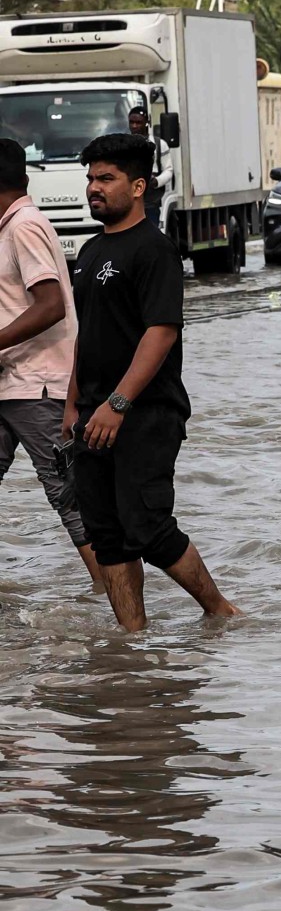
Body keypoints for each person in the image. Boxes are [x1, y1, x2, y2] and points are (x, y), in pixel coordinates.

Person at [63, 135, 235, 630]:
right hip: (93, 414)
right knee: (106, 534)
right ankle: (132, 641)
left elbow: (160, 333)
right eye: (91, 179)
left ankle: (220, 612)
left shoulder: (155, 250)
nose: (94, 188)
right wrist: (73, 403)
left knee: (149, 527)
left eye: (106, 179)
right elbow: (87, 334)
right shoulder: (91, 250)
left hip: (145, 413)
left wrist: (117, 403)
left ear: (138, 186)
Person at [0, 139, 96, 586]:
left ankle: (116, 607)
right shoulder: (11, 226)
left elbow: (51, 304)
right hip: (10, 382)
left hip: (37, 385)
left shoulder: (24, 226)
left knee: (68, 497)